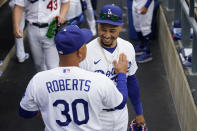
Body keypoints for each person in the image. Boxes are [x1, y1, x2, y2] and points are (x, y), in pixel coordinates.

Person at [19, 25, 129, 131]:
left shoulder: (38, 80)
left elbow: (25, 112)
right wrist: (122, 74)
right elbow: (120, 103)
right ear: (80, 52)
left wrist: (49, 112)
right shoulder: (99, 81)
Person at [80, 4, 145, 130]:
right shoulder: (86, 52)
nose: (107, 35)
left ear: (120, 27)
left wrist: (139, 112)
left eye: (112, 31)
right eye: (103, 29)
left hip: (121, 115)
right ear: (98, 25)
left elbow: (131, 81)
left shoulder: (127, 47)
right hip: (96, 115)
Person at [13, 0, 70, 72]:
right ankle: (43, 82)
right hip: (33, 29)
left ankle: (54, 80)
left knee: (53, 66)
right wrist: (16, 25)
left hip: (51, 27)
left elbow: (66, 3)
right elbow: (18, 6)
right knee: (39, 65)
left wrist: (62, 15)